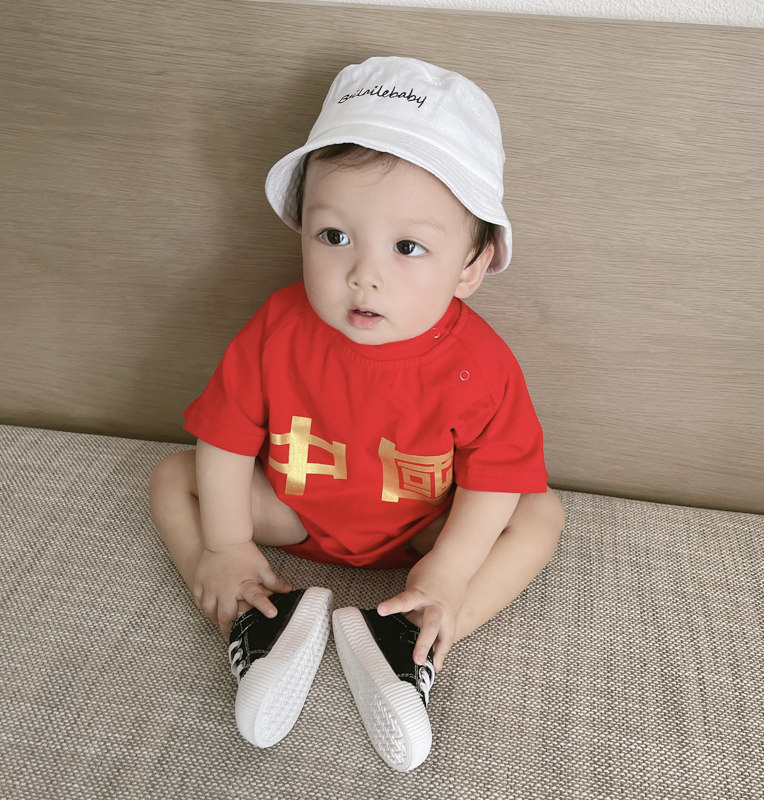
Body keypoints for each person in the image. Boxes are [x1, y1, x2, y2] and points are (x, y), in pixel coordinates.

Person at [149, 56, 564, 772]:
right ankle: (251, 614)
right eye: (333, 236)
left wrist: (448, 569)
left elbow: (496, 477)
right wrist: (226, 541)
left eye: (408, 248)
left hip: (422, 530)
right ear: (302, 230)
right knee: (171, 477)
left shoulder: (481, 364)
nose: (362, 275)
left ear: (471, 266)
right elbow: (224, 437)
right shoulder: (278, 327)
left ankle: (417, 634)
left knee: (539, 515)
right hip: (296, 513)